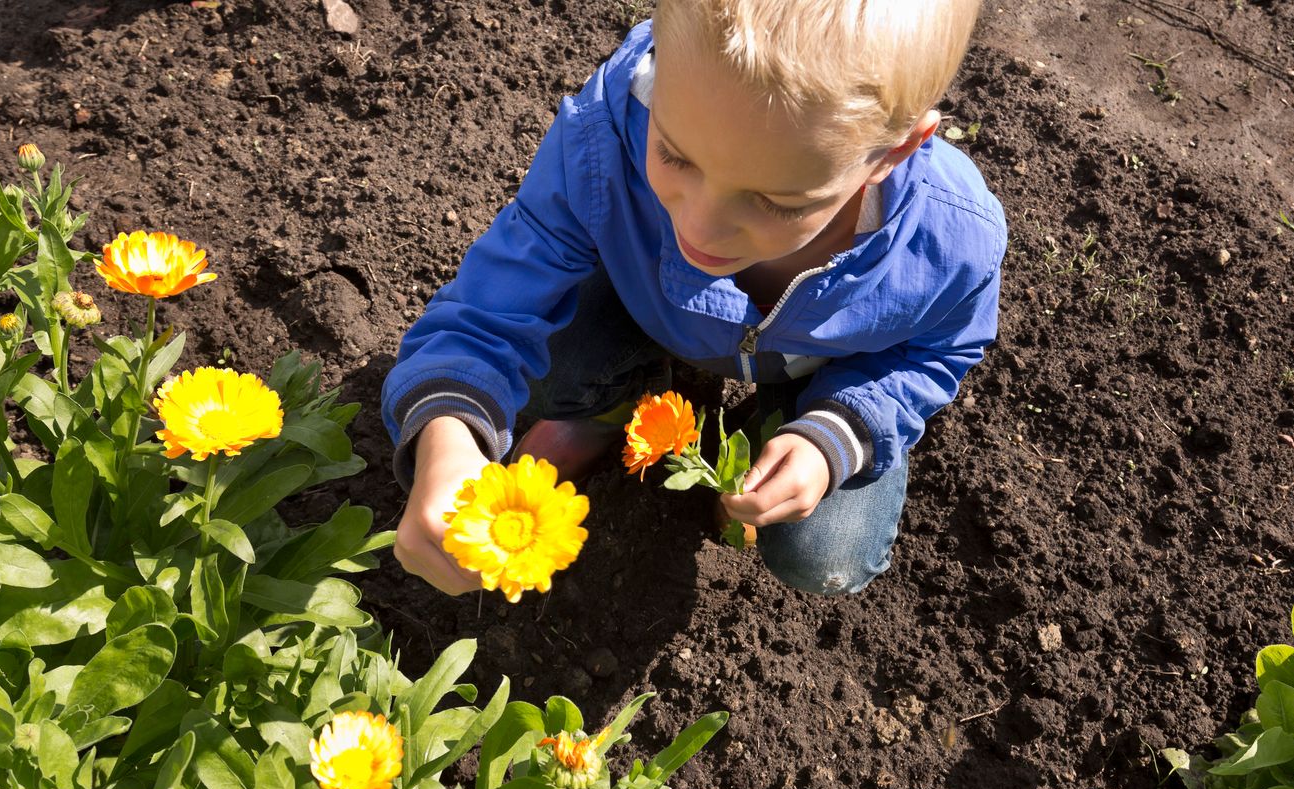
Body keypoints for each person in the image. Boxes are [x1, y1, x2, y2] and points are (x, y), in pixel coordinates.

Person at [384, 0, 1004, 596]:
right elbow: (488, 310)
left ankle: (785, 426)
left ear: (895, 151)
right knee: (549, 358)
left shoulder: (950, 243)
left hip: (825, 371)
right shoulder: (603, 135)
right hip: (651, 312)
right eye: (675, 156)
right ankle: (604, 407)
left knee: (828, 556)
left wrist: (836, 434)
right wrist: (445, 435)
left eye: (774, 202)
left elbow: (936, 353)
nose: (701, 231)